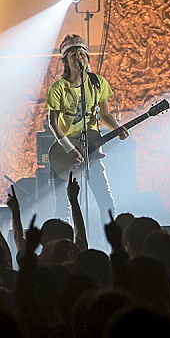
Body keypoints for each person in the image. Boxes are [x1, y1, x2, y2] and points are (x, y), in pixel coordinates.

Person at [45, 34, 127, 224]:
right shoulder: (58, 88)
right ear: (66, 61)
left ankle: (111, 239)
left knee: (106, 203)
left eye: (82, 54)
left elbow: (105, 114)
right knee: (63, 207)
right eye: (73, 55)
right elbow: (53, 123)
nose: (78, 58)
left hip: (92, 149)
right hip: (66, 152)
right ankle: (66, 239)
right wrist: (70, 149)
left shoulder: (97, 83)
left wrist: (118, 129)